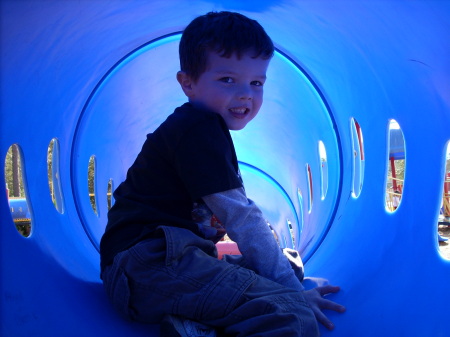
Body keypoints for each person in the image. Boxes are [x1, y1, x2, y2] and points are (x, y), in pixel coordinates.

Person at [100, 11, 345, 336]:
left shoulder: (204, 132)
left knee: (286, 263)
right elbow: (240, 218)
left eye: (256, 83)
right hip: (151, 264)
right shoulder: (197, 128)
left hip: (157, 268)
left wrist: (281, 277)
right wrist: (294, 295)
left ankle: (191, 326)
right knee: (293, 315)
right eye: (228, 79)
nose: (245, 93)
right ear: (188, 83)